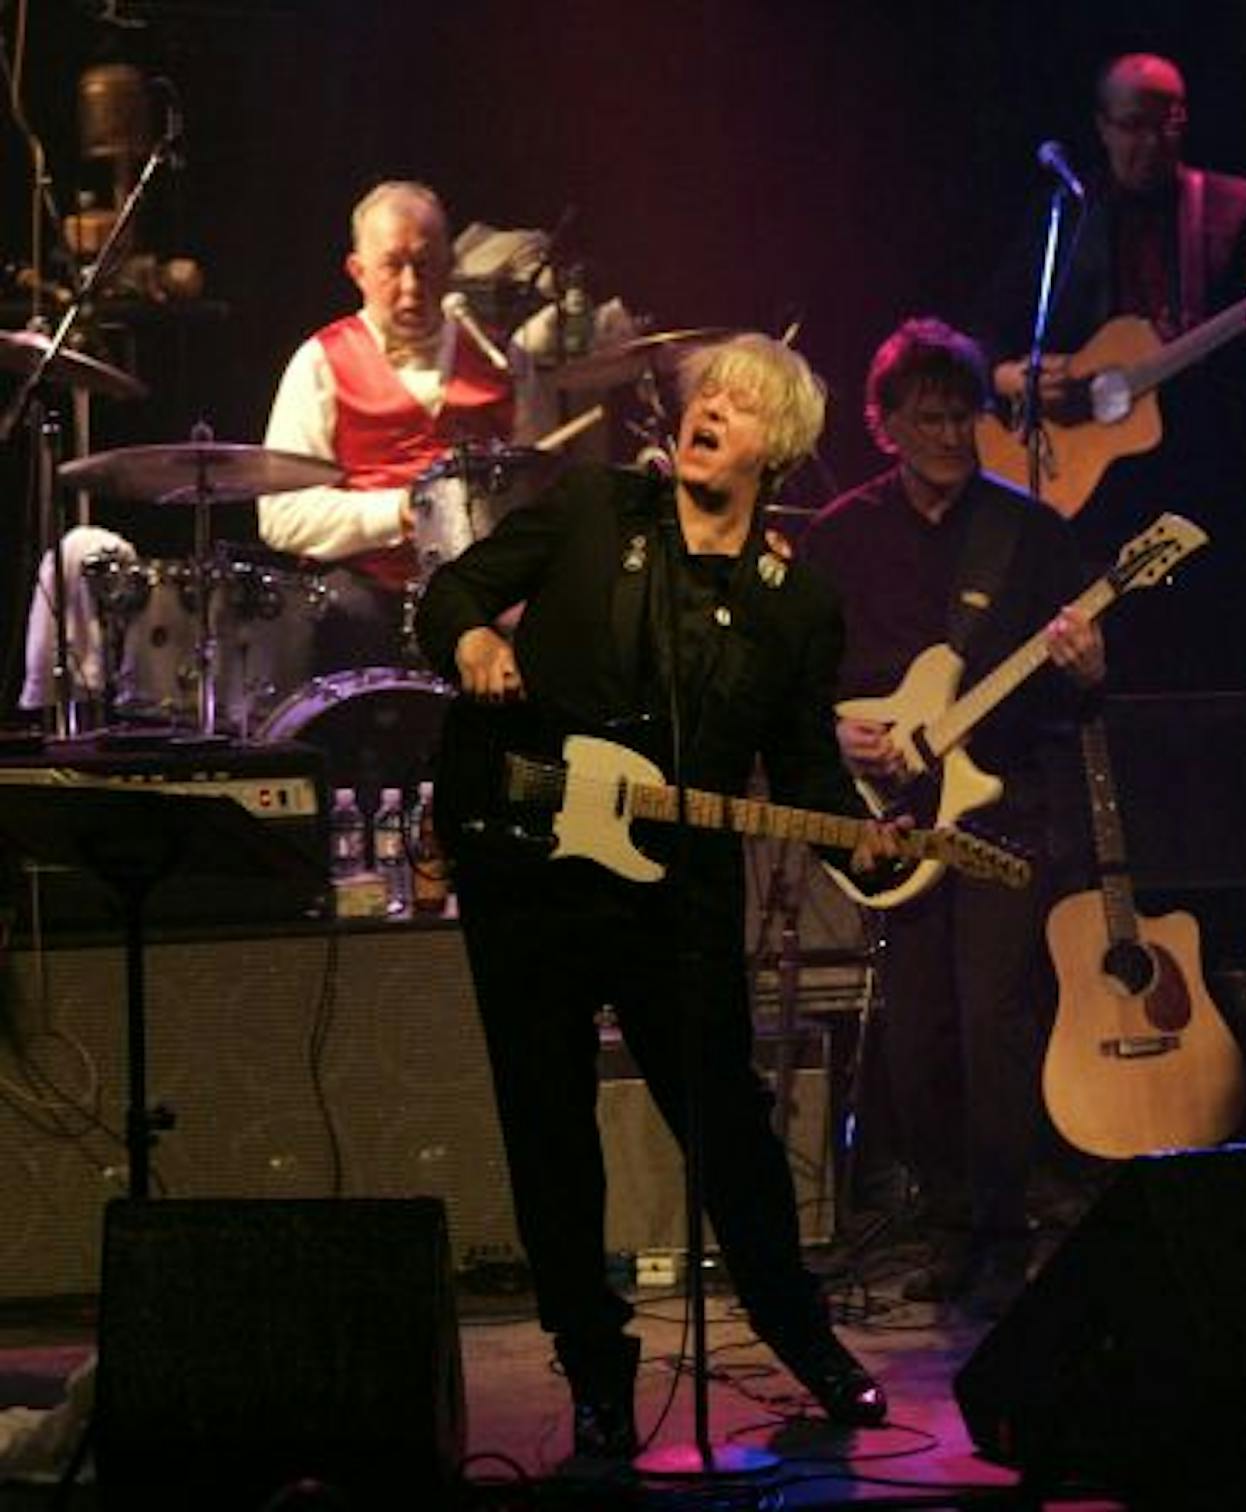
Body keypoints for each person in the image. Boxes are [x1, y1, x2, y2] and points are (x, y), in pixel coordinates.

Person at [414, 333, 895, 1457]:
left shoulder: (797, 607)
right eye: (703, 397)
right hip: (525, 866)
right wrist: (477, 637)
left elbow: (808, 773)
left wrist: (863, 847)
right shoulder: (592, 509)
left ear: (779, 450)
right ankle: (594, 1372)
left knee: (728, 1124)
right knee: (549, 1129)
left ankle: (801, 1335)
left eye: (739, 405)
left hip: (673, 894)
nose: (709, 412)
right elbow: (454, 590)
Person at [798, 318, 1102, 1316]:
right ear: (884, 425)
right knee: (915, 1034)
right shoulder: (838, 537)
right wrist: (841, 742)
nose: (950, 435)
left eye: (963, 415)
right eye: (927, 418)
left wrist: (1087, 666)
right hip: (889, 817)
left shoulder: (1030, 530)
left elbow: (1078, 690)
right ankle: (945, 1221)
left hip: (1003, 808)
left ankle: (1004, 1232)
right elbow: (792, 683)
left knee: (995, 1025)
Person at [973, 52, 1246, 689]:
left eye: (1165, 124)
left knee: (1213, 667)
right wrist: (1013, 377)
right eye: (1131, 126)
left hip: (1209, 472)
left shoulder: (1235, 206)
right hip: (1098, 491)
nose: (1149, 142)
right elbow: (988, 330)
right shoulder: (1070, 212)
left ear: (1184, 120)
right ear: (1101, 126)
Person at [264, 180, 546, 669]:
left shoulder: (502, 360)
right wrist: (398, 512)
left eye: (426, 264)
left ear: (450, 267)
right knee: (344, 617)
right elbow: (282, 517)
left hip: (483, 592)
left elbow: (540, 491)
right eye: (394, 267)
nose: (413, 286)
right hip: (367, 589)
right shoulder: (319, 363)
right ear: (358, 271)